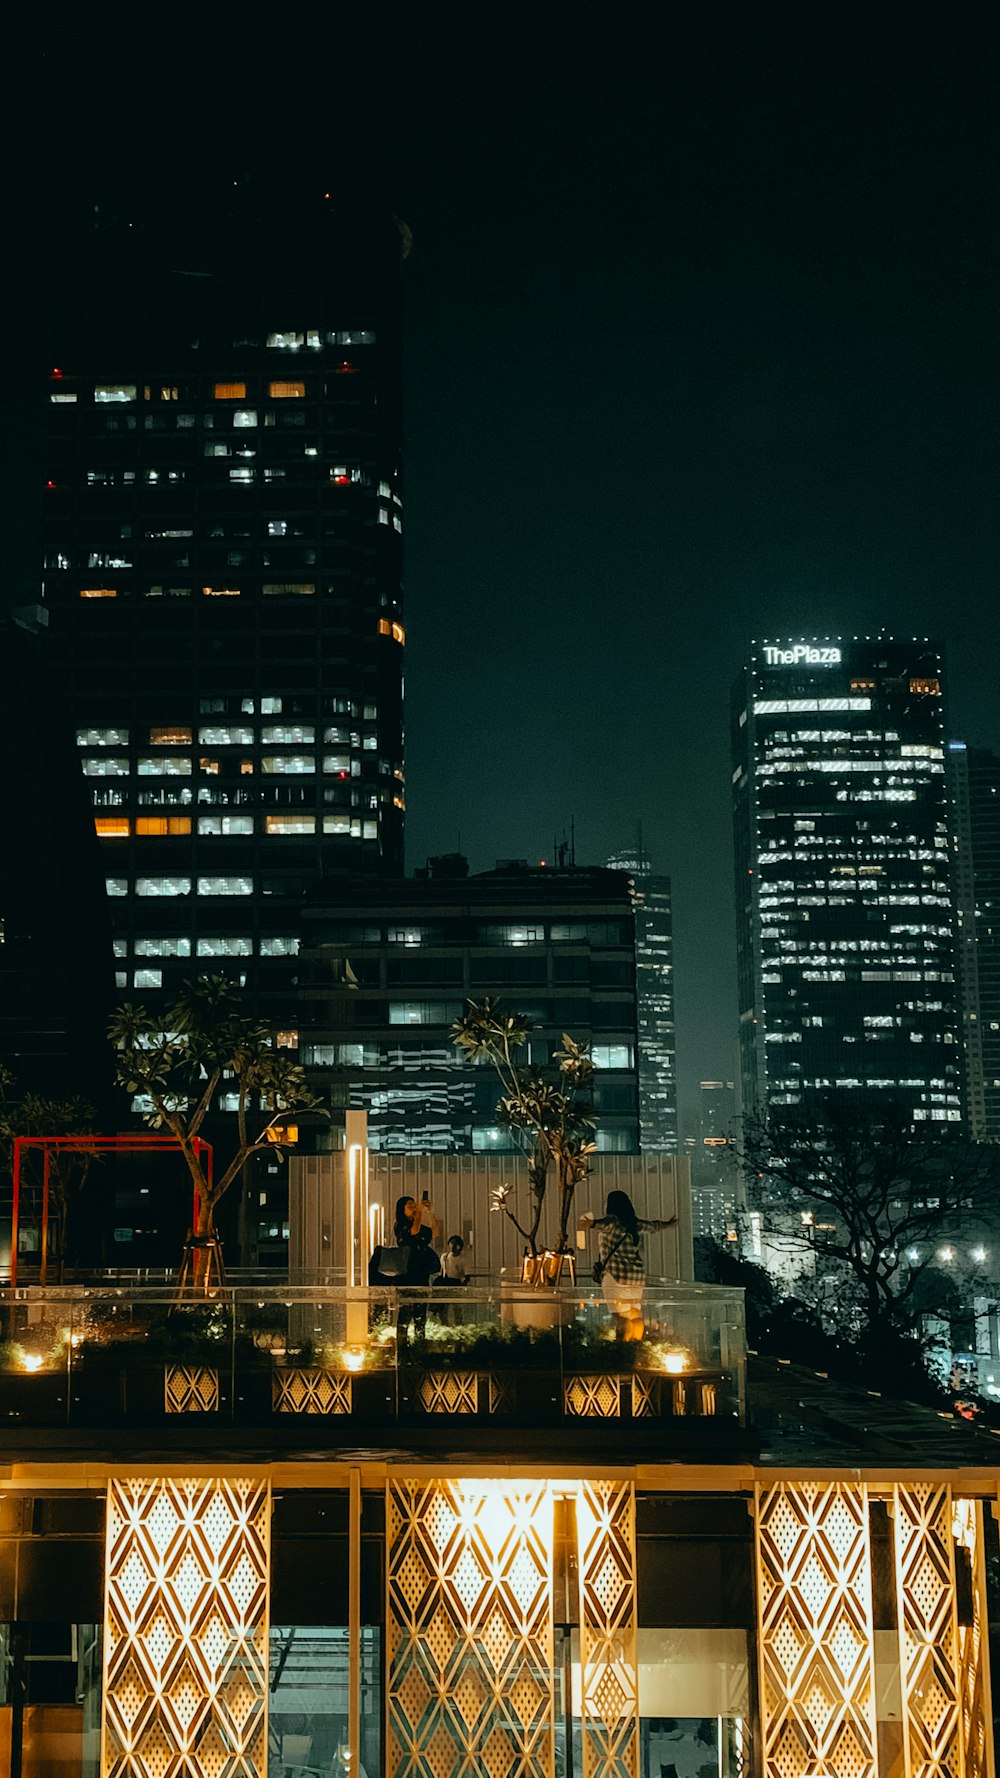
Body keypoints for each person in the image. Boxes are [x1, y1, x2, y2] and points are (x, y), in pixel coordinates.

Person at [579, 1189, 677, 1341]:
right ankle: (636, 1345)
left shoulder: (612, 1221)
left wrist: (591, 1223)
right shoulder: (633, 1223)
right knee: (635, 1314)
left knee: (620, 1317)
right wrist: (668, 1224)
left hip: (616, 1276)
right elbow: (652, 1226)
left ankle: (622, 1349)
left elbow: (603, 1225)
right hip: (636, 1277)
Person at [388, 1195, 440, 1345]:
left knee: (420, 1313)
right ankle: (402, 1347)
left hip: (422, 1272)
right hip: (407, 1273)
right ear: (402, 1210)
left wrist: (430, 1213)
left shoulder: (419, 1224)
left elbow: (434, 1232)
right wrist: (419, 1213)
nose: (413, 1207)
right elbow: (414, 1231)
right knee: (405, 1312)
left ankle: (419, 1345)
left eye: (413, 1205)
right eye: (409, 1205)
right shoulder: (400, 1225)